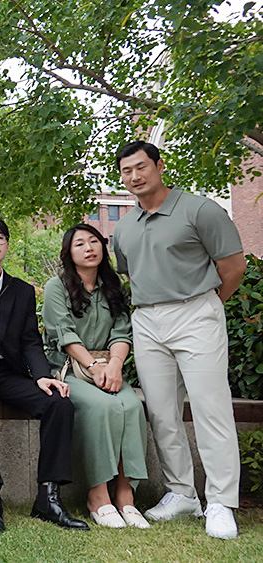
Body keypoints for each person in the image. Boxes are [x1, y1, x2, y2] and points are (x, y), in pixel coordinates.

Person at [112, 141, 246, 539]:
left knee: (211, 409)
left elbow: (233, 266)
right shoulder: (123, 226)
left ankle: (221, 501)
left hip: (196, 312)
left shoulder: (200, 210)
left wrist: (206, 306)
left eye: (141, 168)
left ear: (159, 165)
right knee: (162, 412)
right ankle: (182, 493)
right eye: (126, 171)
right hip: (148, 320)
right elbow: (131, 274)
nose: (134, 177)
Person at [0, 218, 88, 532]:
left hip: (7, 373)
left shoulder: (21, 290)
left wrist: (41, 376)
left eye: (0, 237)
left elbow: (30, 341)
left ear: (7, 246)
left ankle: (48, 497)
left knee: (58, 401)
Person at [41, 224, 149, 529]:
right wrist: (94, 366)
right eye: (80, 244)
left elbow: (122, 331)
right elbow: (63, 333)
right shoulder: (56, 286)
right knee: (102, 407)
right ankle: (98, 495)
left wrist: (114, 365)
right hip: (70, 370)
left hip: (109, 367)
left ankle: (126, 495)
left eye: (94, 241)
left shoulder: (113, 286)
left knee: (131, 407)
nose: (89, 248)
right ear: (69, 253)